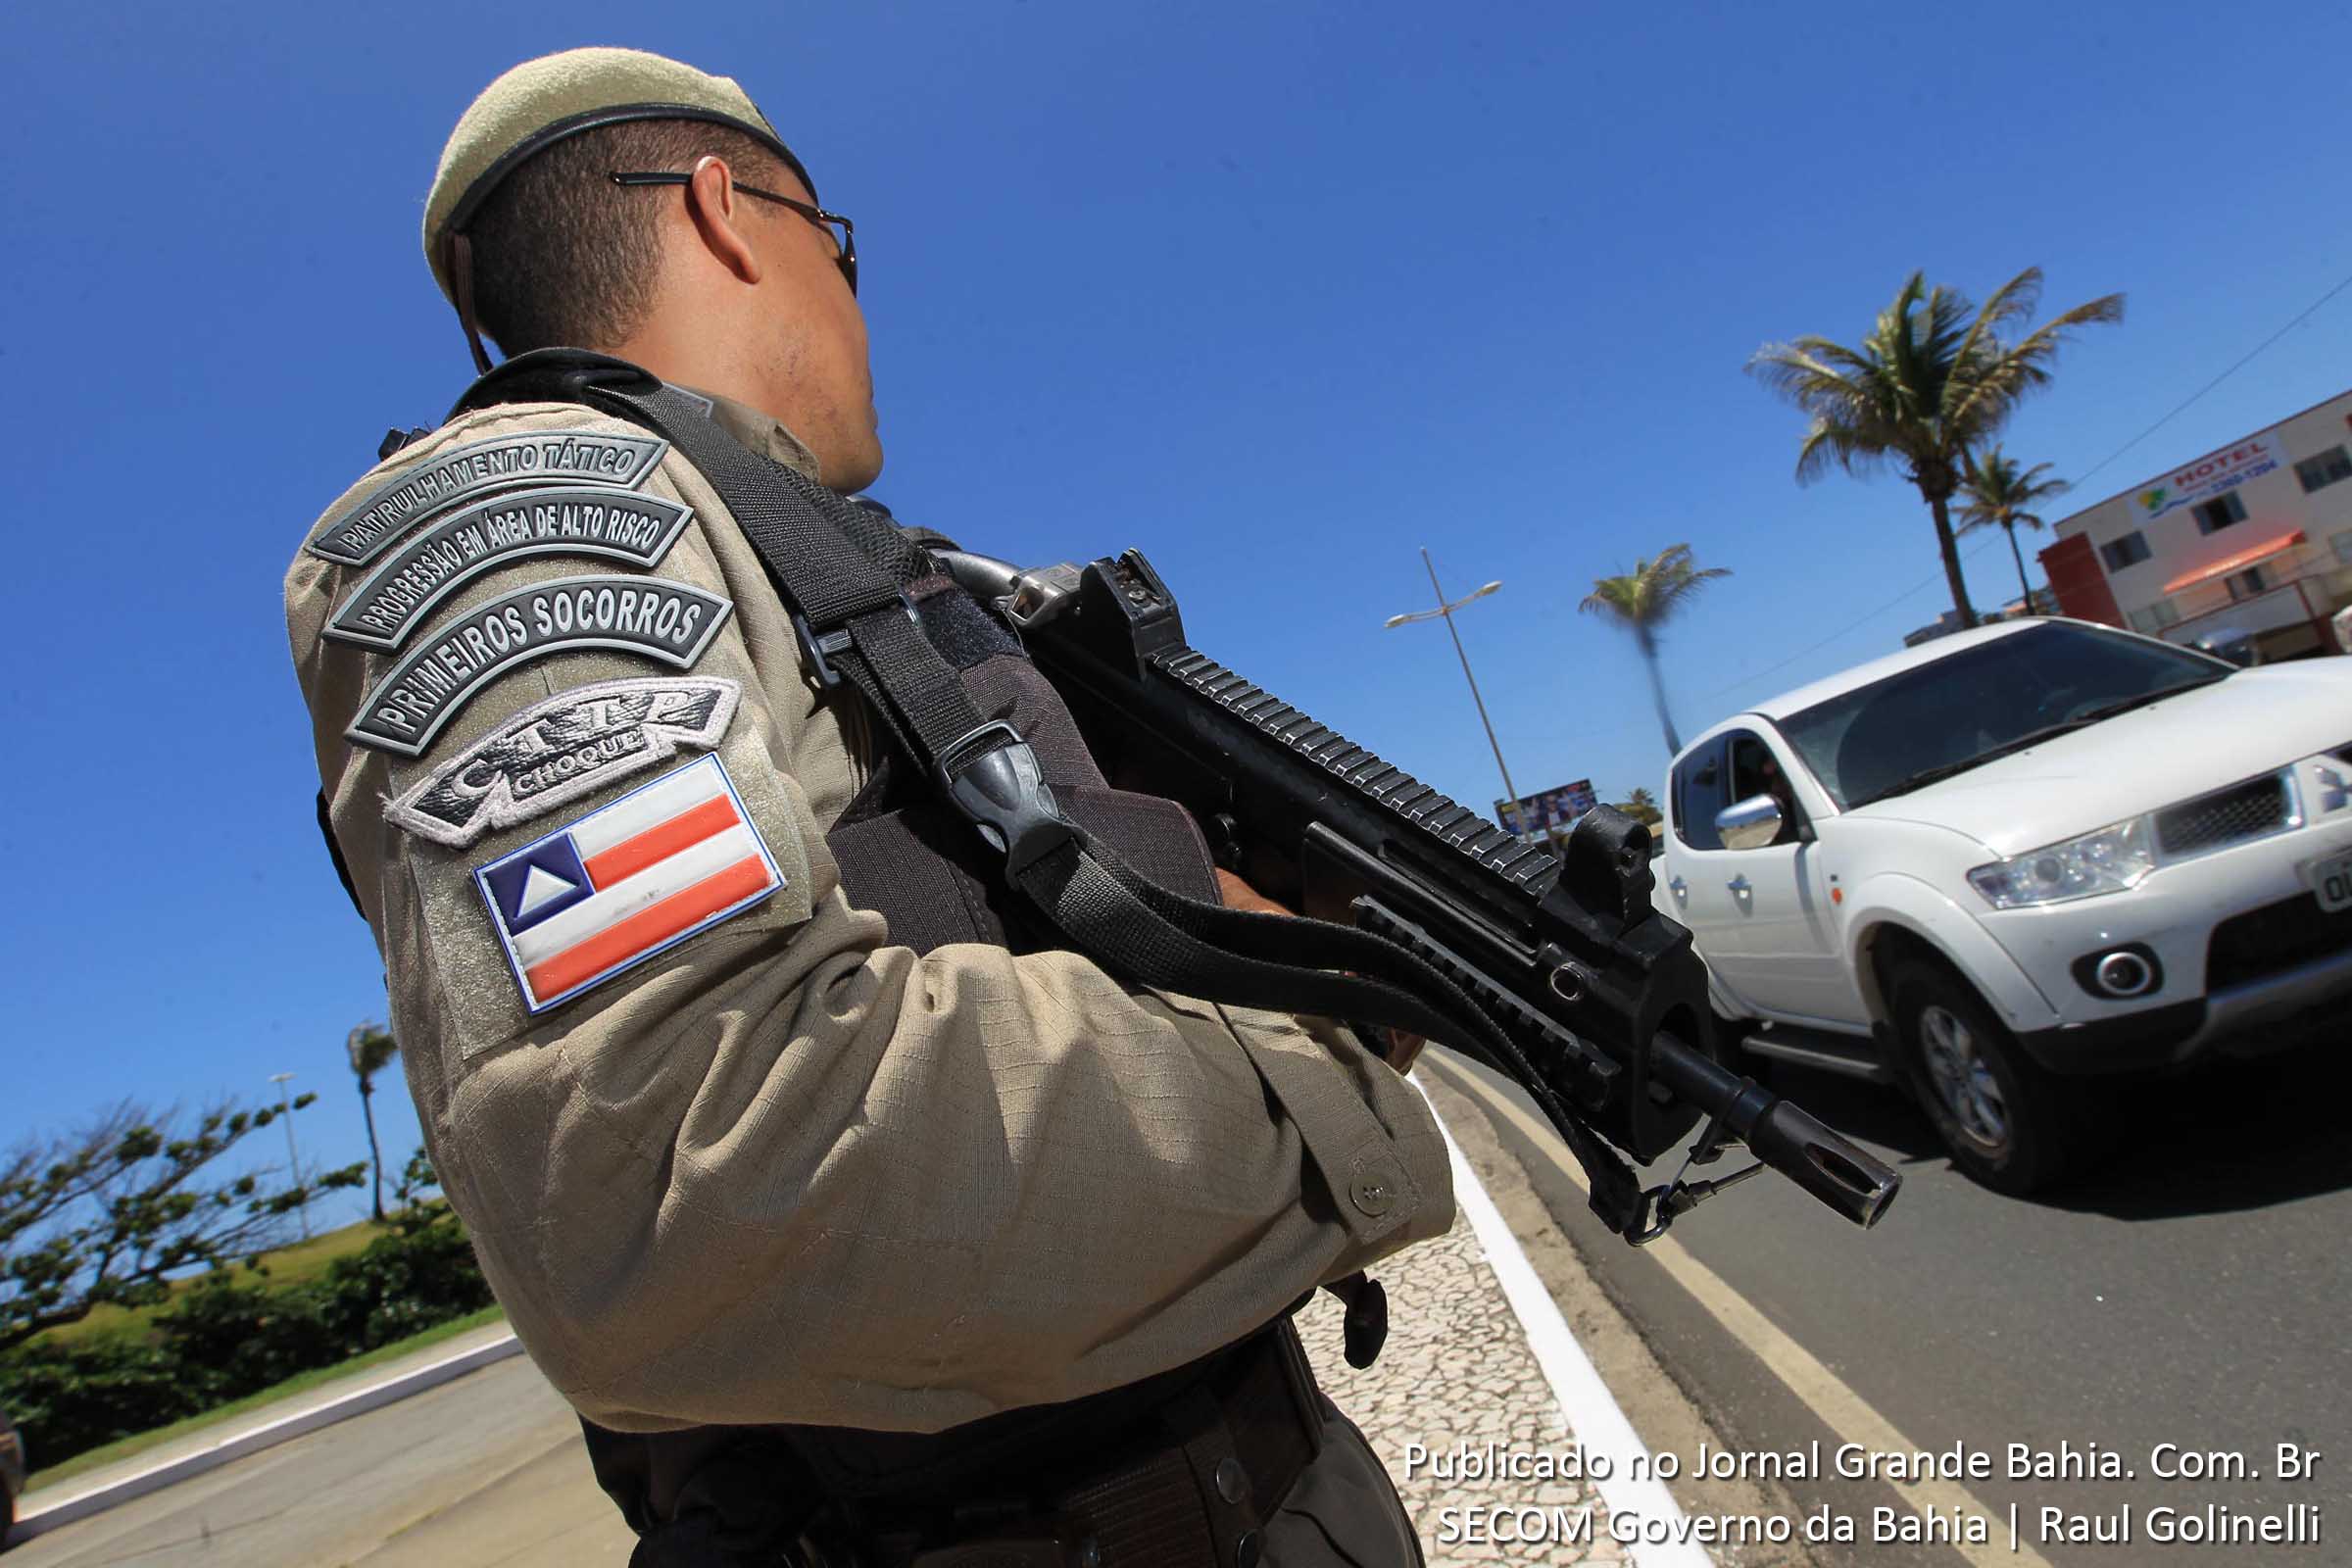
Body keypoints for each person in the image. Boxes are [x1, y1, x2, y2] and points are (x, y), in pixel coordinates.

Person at [284, 46, 1450, 1568]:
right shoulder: (524, 518)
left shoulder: (843, 558)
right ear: (726, 211)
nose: (857, 302)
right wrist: (1314, 1037)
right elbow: (693, 1171)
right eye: (842, 246)